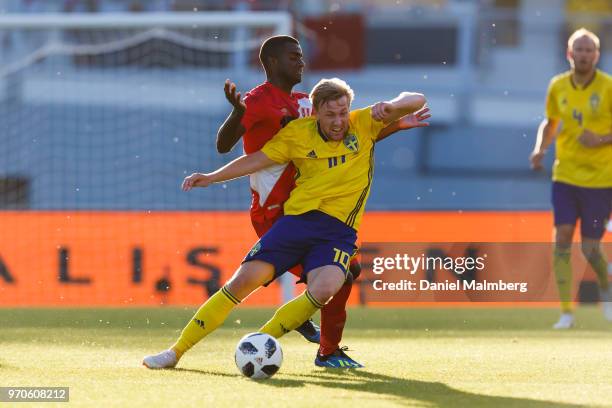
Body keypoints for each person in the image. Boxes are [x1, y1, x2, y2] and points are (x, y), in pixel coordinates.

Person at [143, 77, 426, 369]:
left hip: (337, 233)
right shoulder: (297, 134)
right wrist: (212, 177)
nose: (339, 121)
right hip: (295, 224)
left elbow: (416, 98)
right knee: (241, 282)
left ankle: (259, 343)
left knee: (327, 286)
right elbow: (256, 160)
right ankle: (175, 352)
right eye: (330, 115)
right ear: (315, 112)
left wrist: (391, 106)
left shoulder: (363, 123)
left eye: (343, 112)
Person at [215, 35, 430, 367]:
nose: (301, 62)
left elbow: (351, 137)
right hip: (275, 210)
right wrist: (236, 114)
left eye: (301, 56)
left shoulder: (305, 102)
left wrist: (395, 125)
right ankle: (322, 346)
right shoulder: (256, 101)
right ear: (272, 63)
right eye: (293, 57)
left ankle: (319, 339)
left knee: (346, 270)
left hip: (304, 207)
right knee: (338, 273)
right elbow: (224, 145)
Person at [530, 28, 612, 329]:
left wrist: (602, 140)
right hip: (565, 175)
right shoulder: (558, 86)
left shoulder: (608, 87)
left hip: (601, 180)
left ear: (597, 55)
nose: (584, 54)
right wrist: (540, 149)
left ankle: (606, 287)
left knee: (590, 248)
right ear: (569, 53)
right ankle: (566, 312)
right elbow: (551, 122)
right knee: (562, 237)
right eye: (579, 48)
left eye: (590, 49)